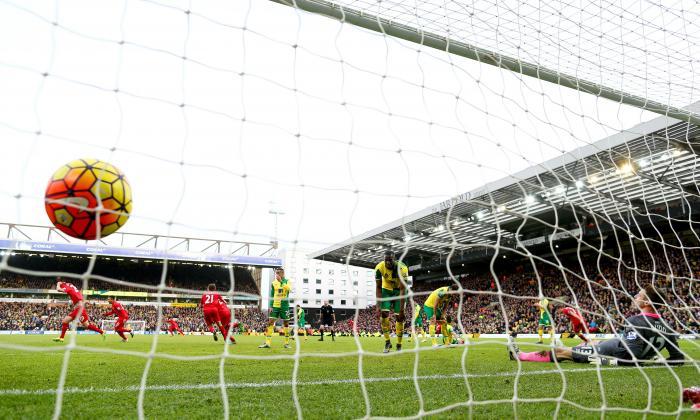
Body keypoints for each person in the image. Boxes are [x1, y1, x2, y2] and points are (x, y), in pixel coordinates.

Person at [510, 285, 685, 366]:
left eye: (639, 296)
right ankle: (581, 342)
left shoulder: (636, 321)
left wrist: (605, 361)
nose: (636, 297)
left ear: (646, 301)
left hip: (610, 352)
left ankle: (521, 356)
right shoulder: (667, 325)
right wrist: (656, 360)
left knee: (561, 353)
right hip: (613, 345)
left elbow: (632, 357)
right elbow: (678, 358)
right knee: (586, 343)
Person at [375, 251, 408, 353]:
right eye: (386, 260)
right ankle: (387, 342)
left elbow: (403, 290)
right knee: (383, 315)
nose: (388, 262)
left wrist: (402, 310)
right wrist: (378, 306)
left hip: (399, 292)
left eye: (390, 260)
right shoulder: (379, 268)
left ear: (394, 259)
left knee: (399, 317)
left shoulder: (402, 268)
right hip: (386, 291)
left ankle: (399, 344)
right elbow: (378, 287)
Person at [259, 268, 291, 349]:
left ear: (282, 274)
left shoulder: (287, 281)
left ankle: (286, 343)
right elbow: (272, 295)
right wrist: (270, 306)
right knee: (270, 323)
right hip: (275, 306)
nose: (276, 275)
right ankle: (267, 343)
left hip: (284, 306)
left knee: (286, 323)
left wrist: (281, 281)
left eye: (278, 273)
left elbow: (288, 289)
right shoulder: (273, 283)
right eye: (276, 273)